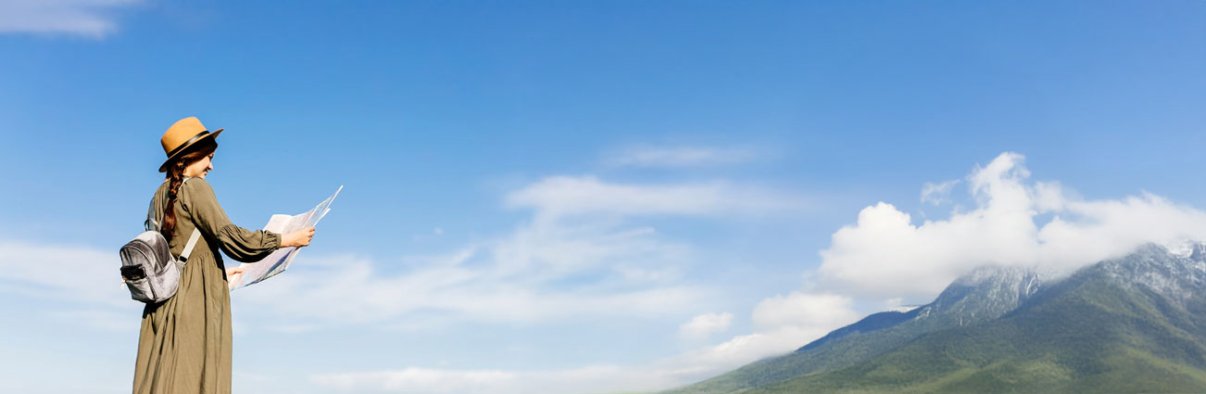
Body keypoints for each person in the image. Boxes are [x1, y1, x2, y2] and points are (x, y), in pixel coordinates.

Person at [132, 116, 315, 393]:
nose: (211, 166)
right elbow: (230, 237)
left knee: (166, 376)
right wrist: (287, 239)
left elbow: (176, 252)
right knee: (193, 376)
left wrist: (217, 273)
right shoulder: (195, 188)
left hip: (165, 300)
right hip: (192, 301)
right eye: (208, 157)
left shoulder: (158, 196)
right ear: (190, 156)